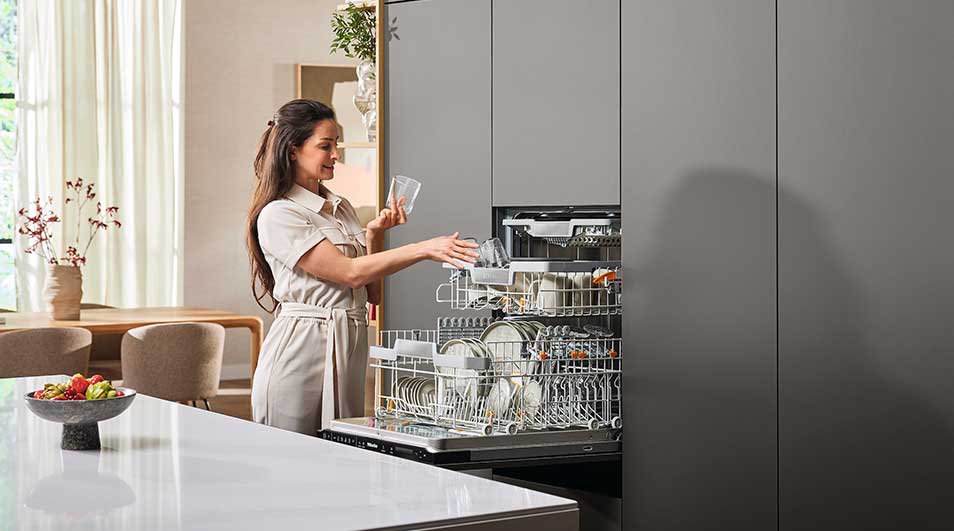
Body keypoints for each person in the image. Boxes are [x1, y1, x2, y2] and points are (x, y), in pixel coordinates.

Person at [246, 99, 479, 435]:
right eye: (325, 146)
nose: (336, 155)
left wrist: (374, 234)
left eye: (336, 145)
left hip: (349, 350)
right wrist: (423, 248)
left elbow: (373, 294)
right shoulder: (279, 214)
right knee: (290, 466)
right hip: (300, 352)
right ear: (293, 150)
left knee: (340, 466)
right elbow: (348, 272)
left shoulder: (342, 210)